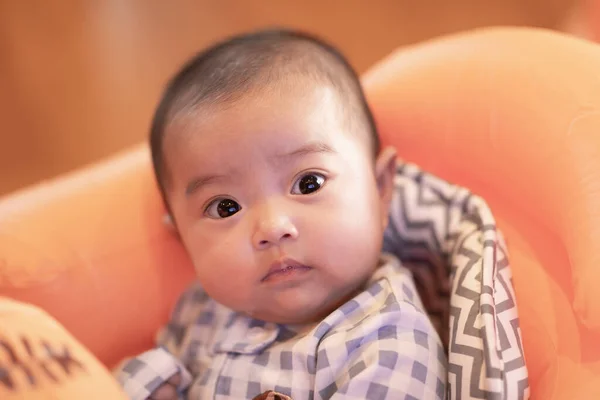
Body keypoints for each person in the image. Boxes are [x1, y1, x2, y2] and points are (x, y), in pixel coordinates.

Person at [115, 29, 447, 400]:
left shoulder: (388, 341)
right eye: (226, 207)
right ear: (181, 236)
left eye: (308, 183)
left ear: (381, 189)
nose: (272, 228)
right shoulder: (202, 310)